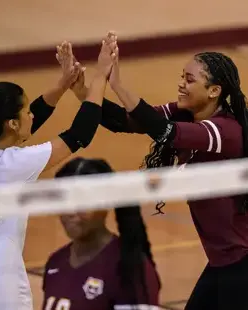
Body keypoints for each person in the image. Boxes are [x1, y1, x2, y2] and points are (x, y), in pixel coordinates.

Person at [58, 33, 248, 310]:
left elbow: (164, 131)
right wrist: (84, 92)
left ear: (214, 91)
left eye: (190, 80)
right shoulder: (187, 112)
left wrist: (116, 84)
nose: (181, 84)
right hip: (223, 261)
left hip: (241, 263)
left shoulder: (224, 130)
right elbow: (124, 121)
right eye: (182, 76)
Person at [0, 40, 115, 310]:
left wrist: (63, 84)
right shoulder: (12, 165)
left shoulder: (9, 153)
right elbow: (78, 135)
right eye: (25, 111)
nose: (31, 116)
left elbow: (24, 127)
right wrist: (100, 78)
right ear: (12, 123)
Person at [42, 157, 160, 310]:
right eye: (65, 201)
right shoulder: (55, 262)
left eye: (81, 202)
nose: (71, 212)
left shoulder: (130, 269)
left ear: (105, 203)